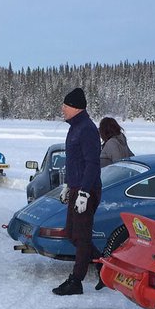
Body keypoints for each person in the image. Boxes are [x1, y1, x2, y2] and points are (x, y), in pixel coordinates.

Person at [52, 87, 101, 296]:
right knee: (72, 234)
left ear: (74, 107)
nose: (62, 109)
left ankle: (76, 281)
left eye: (65, 105)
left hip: (86, 190)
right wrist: (67, 185)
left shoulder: (87, 129)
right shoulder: (74, 127)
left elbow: (92, 164)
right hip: (75, 187)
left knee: (81, 237)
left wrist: (84, 192)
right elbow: (74, 162)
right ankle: (104, 265)